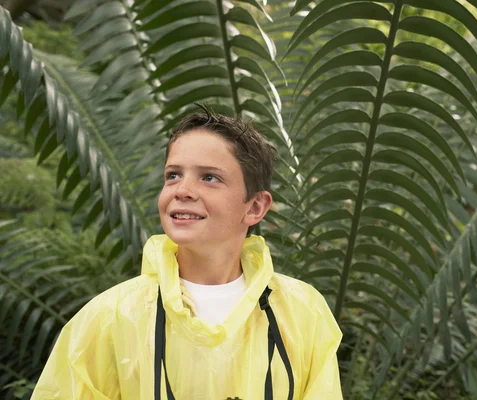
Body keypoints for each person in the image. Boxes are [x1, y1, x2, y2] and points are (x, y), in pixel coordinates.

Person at [31, 108, 343, 400]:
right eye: (173, 175)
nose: (182, 190)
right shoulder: (109, 316)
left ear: (255, 207)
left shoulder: (302, 312)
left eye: (209, 177)